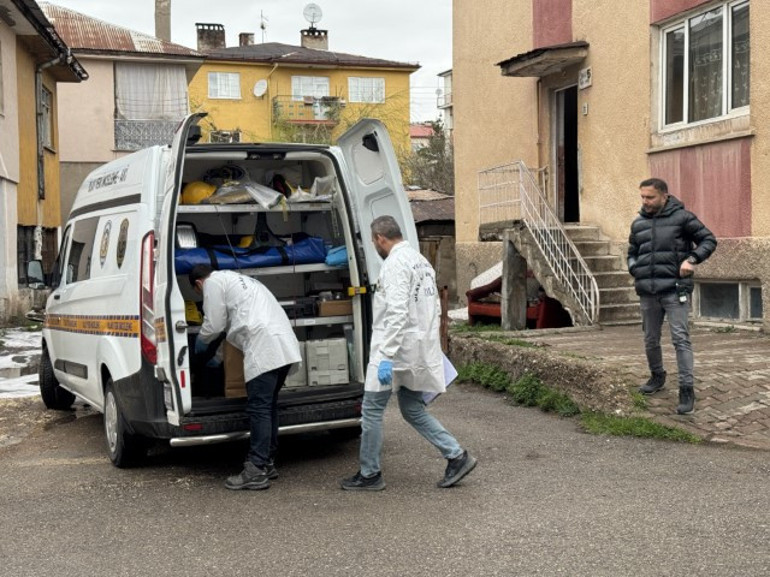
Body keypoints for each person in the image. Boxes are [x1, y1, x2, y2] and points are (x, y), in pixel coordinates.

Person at [340, 215, 476, 491]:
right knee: (412, 408)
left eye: (373, 242)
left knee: (372, 410)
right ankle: (456, 455)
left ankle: (369, 474)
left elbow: (398, 312)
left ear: (380, 239)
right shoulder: (420, 261)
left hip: (395, 351)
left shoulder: (394, 265)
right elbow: (433, 308)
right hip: (417, 348)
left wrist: (387, 356)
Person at [189, 264, 301, 490]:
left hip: (264, 347)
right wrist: (218, 358)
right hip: (284, 344)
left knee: (259, 407)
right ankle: (267, 462)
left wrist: (200, 342)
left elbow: (215, 325)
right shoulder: (240, 281)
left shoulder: (211, 283)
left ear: (198, 284)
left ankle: (255, 470)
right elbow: (234, 327)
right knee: (268, 406)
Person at [627, 178, 717, 415]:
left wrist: (692, 259)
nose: (645, 202)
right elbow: (632, 253)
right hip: (648, 291)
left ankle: (686, 389)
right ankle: (657, 377)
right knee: (650, 339)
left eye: (650, 197)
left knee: (680, 339)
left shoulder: (683, 218)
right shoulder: (638, 224)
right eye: (642, 197)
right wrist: (634, 268)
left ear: (664, 196)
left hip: (675, 289)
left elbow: (708, 240)